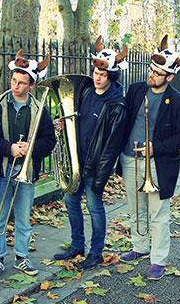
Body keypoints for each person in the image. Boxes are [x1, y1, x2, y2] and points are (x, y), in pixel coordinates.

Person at [118, 35, 180, 280]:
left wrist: (155, 148)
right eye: (151, 70)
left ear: (170, 77)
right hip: (130, 158)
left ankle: (158, 259)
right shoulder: (136, 89)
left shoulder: (179, 102)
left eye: (158, 73)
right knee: (135, 208)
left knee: (158, 215)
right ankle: (139, 247)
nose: (152, 75)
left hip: (157, 163)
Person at [53, 37, 128, 269]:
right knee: (71, 201)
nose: (97, 77)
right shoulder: (85, 92)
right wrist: (63, 125)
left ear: (112, 76)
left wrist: (100, 175)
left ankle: (96, 252)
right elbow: (77, 119)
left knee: (95, 207)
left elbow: (112, 146)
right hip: (77, 160)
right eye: (96, 72)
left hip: (95, 166)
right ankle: (77, 245)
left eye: (103, 74)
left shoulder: (117, 105)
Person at [0, 50, 56, 279]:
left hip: (26, 171)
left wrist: (31, 149)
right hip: (1, 170)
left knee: (24, 218)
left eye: (22, 83)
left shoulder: (39, 109)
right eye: (14, 81)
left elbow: (49, 141)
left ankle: (21, 256)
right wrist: (9, 148)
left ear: (31, 85)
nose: (16, 86)